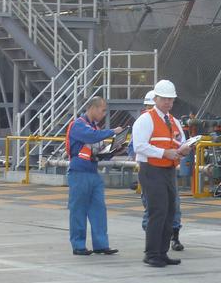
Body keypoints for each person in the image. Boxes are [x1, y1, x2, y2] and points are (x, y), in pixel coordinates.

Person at [132, 79, 191, 268]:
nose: (168, 103)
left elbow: (177, 141)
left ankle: (162, 252)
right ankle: (151, 253)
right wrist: (164, 153)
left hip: (167, 169)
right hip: (151, 169)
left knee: (169, 211)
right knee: (158, 211)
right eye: (164, 99)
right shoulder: (146, 119)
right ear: (156, 98)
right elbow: (139, 146)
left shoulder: (173, 121)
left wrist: (184, 149)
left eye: (171, 100)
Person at [66, 96, 123, 255]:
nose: (104, 114)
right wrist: (113, 132)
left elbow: (98, 151)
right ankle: (78, 245)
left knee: (99, 209)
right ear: (93, 108)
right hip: (79, 173)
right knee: (78, 210)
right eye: (103, 110)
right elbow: (90, 137)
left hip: (92, 172)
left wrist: (114, 149)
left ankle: (101, 244)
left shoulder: (95, 128)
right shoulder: (78, 125)